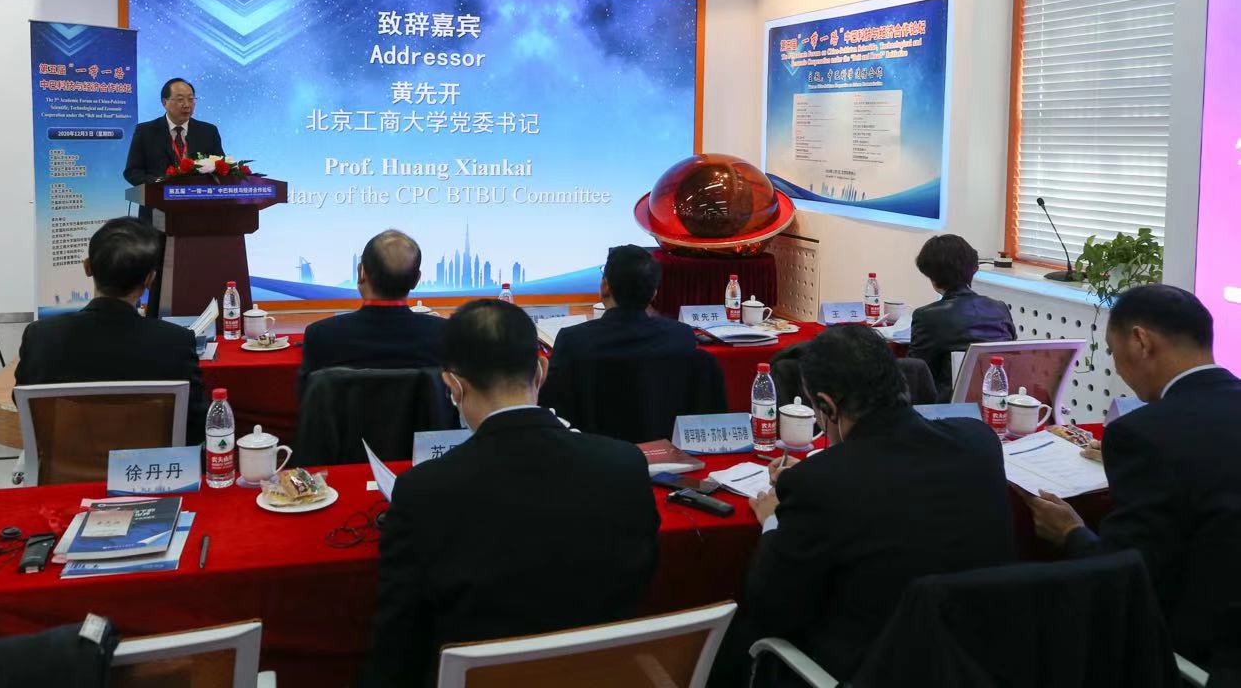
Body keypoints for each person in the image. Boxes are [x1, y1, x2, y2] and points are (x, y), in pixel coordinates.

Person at [361, 300, 660, 687]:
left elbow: (397, 647)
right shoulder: (625, 465)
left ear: (453, 385)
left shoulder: (423, 492)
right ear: (541, 370)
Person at [739, 325, 1015, 683]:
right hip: (979, 663)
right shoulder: (979, 441)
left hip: (874, 669)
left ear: (827, 406)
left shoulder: (819, 483)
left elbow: (769, 609)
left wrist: (773, 520)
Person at [1023, 285, 1241, 665]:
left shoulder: (1143, 434)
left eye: (1112, 351)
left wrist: (1070, 533)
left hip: (1194, 653)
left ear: (1140, 341)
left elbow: (1125, 574)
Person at [14, 217, 207, 445]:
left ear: (87, 267)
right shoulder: (176, 342)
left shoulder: (40, 337)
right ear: (150, 279)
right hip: (150, 467)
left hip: (68, 466)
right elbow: (196, 425)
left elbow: (25, 406)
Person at [539, 244, 724, 439]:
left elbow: (553, 415)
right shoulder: (682, 336)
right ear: (654, 293)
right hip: (669, 451)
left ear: (605, 287)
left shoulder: (573, 341)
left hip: (594, 454)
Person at [298, 230, 445, 397]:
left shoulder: (320, 335)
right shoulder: (446, 334)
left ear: (361, 272)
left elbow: (308, 401)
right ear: (416, 279)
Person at [908, 233, 1015, 398]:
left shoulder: (927, 317)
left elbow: (916, 373)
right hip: (996, 402)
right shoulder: (1000, 309)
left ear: (932, 276)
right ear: (973, 269)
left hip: (946, 407)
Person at [123, 77, 225, 185]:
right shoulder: (145, 131)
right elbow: (132, 172)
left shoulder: (209, 131)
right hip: (159, 193)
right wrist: (157, 183)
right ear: (164, 102)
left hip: (198, 193)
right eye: (180, 99)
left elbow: (222, 167)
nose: (187, 105)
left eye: (191, 99)